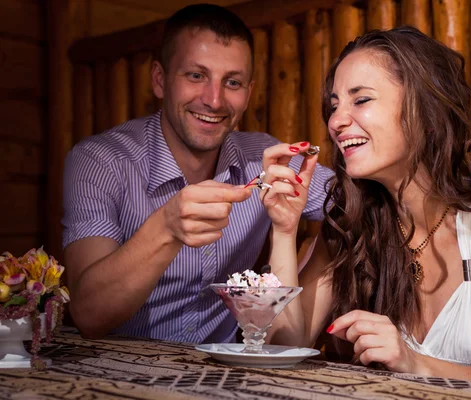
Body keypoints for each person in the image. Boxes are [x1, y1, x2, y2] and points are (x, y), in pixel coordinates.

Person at [259, 27, 471, 390]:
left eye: (361, 100)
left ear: (424, 108)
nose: (336, 121)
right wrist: (284, 230)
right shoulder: (350, 223)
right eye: (334, 105)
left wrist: (416, 363)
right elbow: (285, 347)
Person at [62, 4, 332, 344]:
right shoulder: (99, 161)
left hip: (226, 378)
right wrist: (166, 226)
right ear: (160, 80)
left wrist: (321, 255)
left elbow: (360, 200)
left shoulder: (264, 158)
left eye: (231, 82)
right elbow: (88, 314)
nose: (214, 100)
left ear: (248, 95)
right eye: (196, 76)